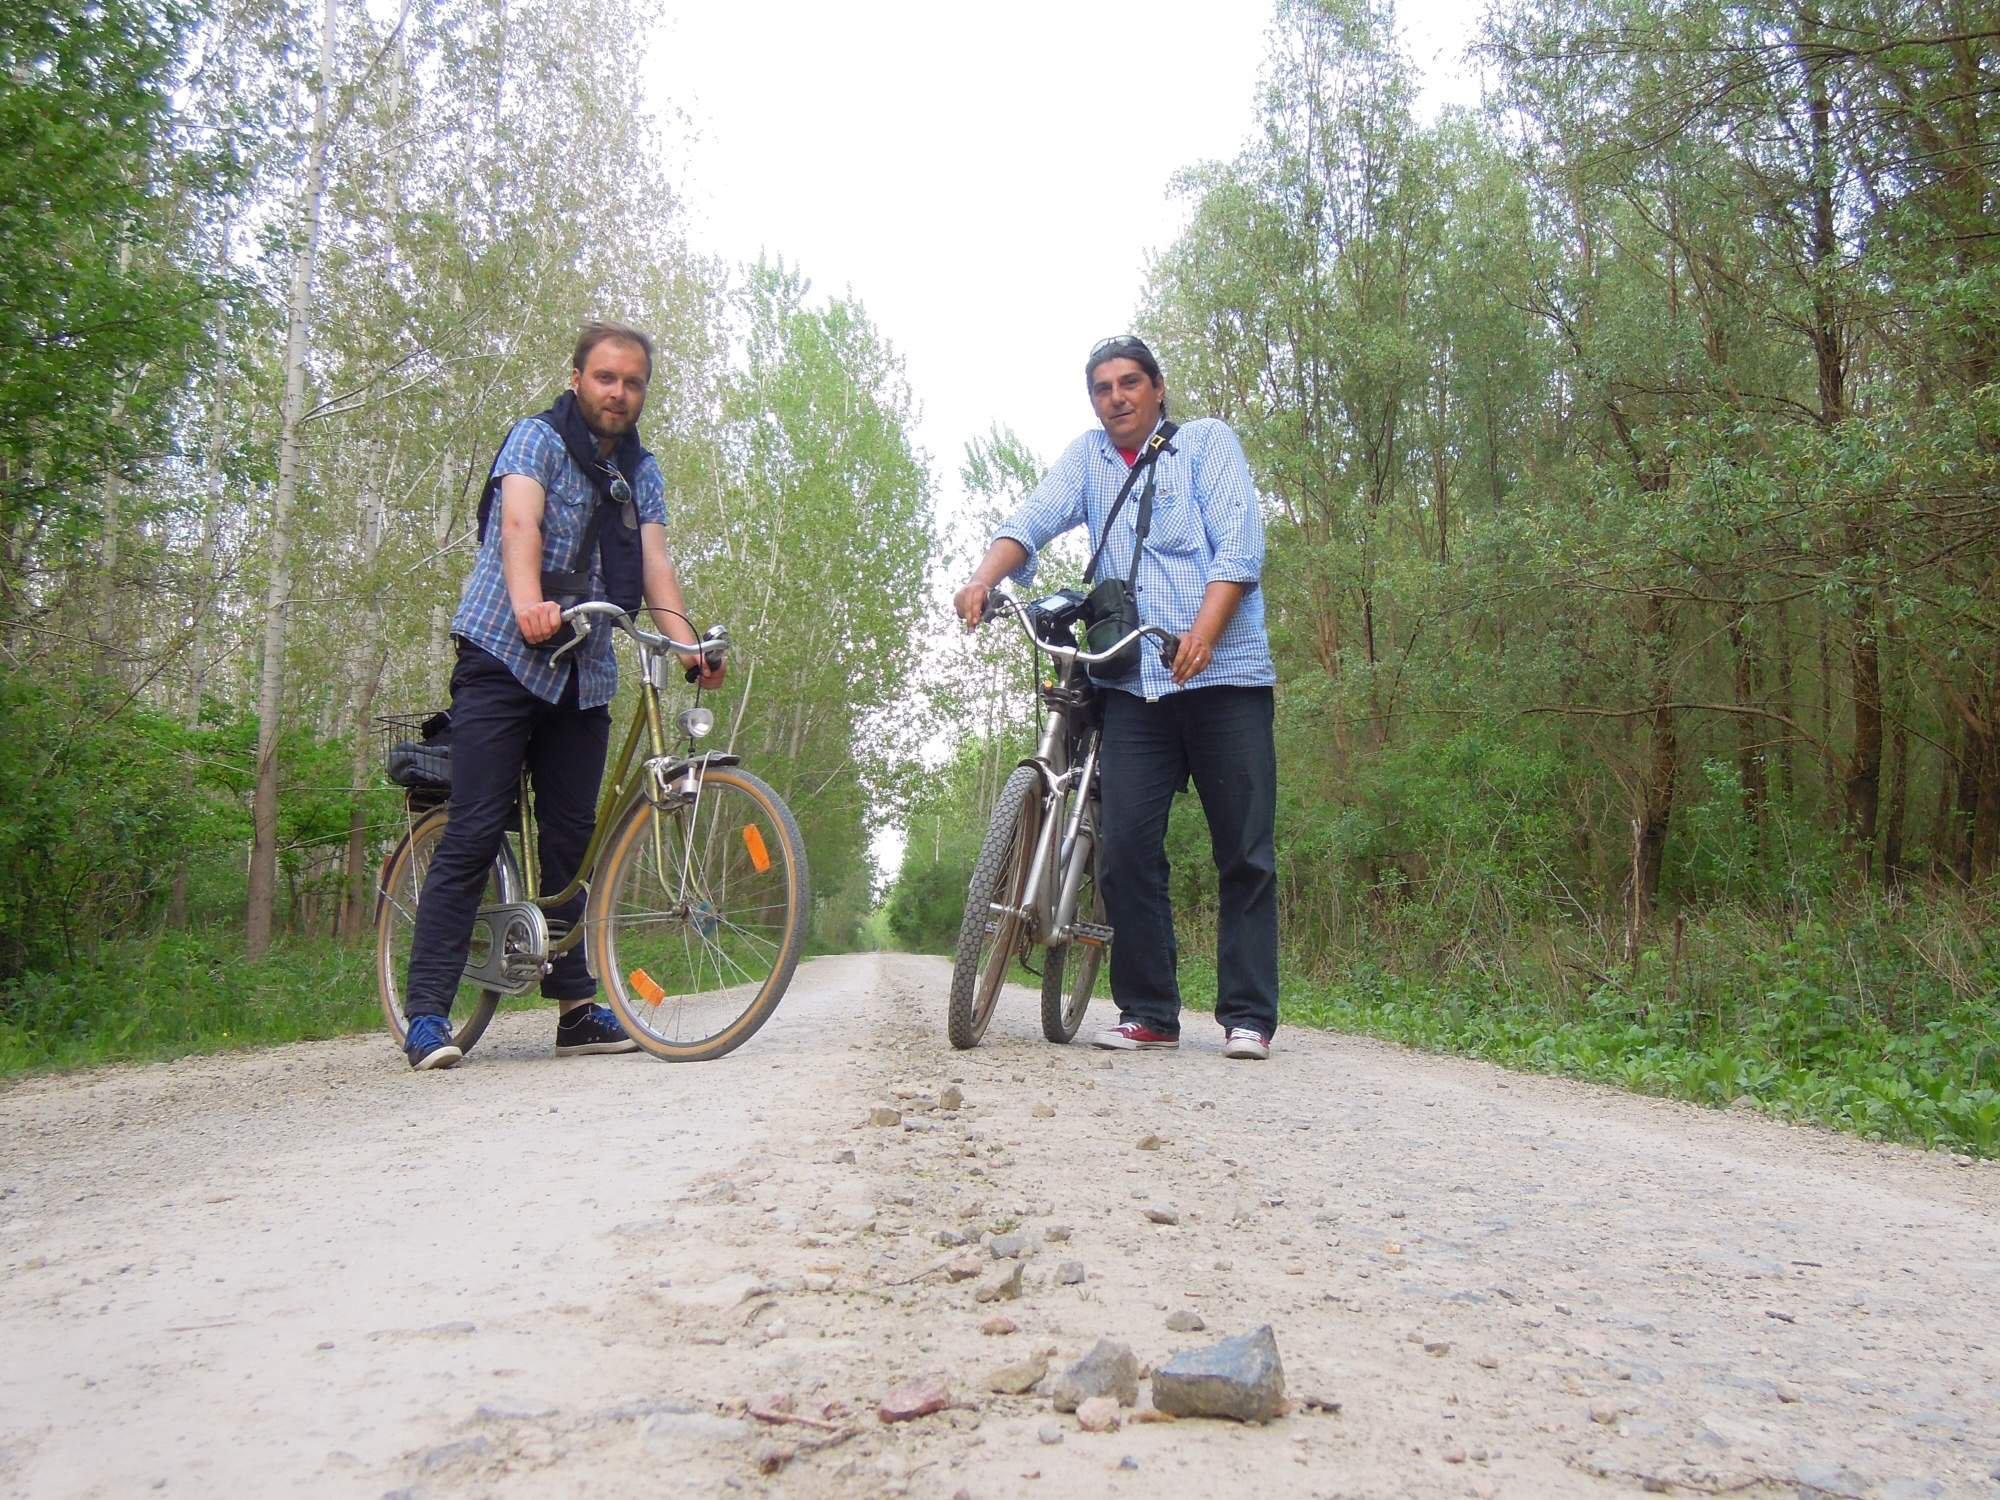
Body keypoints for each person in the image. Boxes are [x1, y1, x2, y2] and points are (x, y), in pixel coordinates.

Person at [402, 320, 723, 1071]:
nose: (619, 392)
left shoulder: (642, 473)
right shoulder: (536, 440)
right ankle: (426, 1012)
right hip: (506, 654)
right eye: (606, 377)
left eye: (633, 382)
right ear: (578, 377)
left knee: (575, 840)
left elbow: (654, 567)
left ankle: (576, 1006)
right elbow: (520, 523)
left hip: (584, 673)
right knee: (477, 827)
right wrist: (526, 602)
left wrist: (689, 647)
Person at [954, 335, 1279, 1059]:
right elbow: (1032, 518)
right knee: (1126, 848)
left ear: (1158, 388)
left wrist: (1204, 630)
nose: (1117, 398)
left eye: (1130, 383)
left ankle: (1248, 1016)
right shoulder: (1089, 460)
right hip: (1131, 678)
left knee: (1245, 851)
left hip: (1224, 674)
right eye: (1103, 388)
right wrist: (984, 578)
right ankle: (1150, 1012)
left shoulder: (1205, 445)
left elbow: (1239, 546)